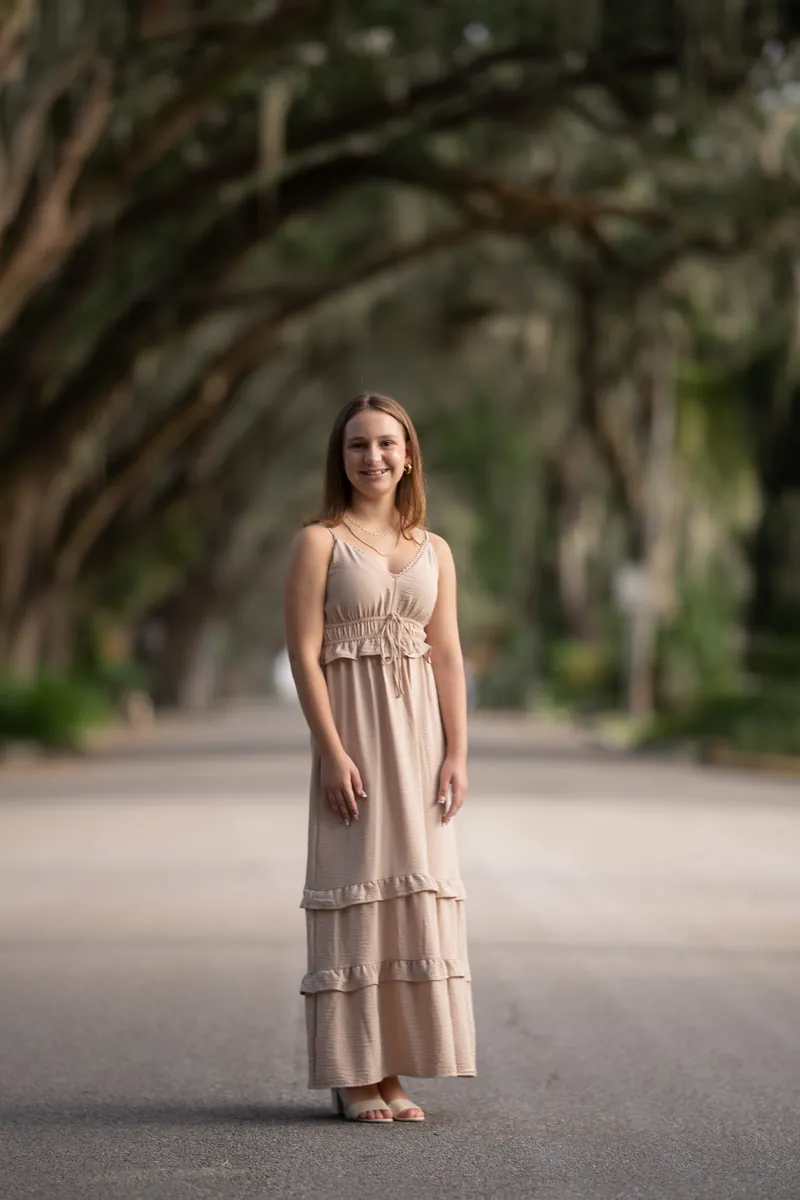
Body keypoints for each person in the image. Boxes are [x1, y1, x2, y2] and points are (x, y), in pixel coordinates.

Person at [283, 392, 476, 1124]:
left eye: (387, 444)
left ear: (408, 454)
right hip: (355, 742)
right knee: (356, 887)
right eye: (358, 445)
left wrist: (458, 752)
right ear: (341, 457)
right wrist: (331, 751)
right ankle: (352, 1072)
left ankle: (392, 1071)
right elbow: (303, 653)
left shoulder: (435, 549)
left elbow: (449, 653)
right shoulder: (319, 543)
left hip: (421, 743)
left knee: (409, 896)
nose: (374, 457)